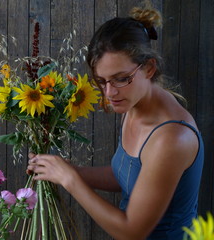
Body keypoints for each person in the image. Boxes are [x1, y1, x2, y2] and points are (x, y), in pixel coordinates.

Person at [27, 3, 204, 240]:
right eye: (101, 80)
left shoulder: (171, 138)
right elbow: (126, 174)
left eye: (120, 79)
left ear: (149, 68)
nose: (109, 93)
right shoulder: (133, 104)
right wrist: (66, 169)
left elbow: (132, 231)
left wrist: (70, 180)